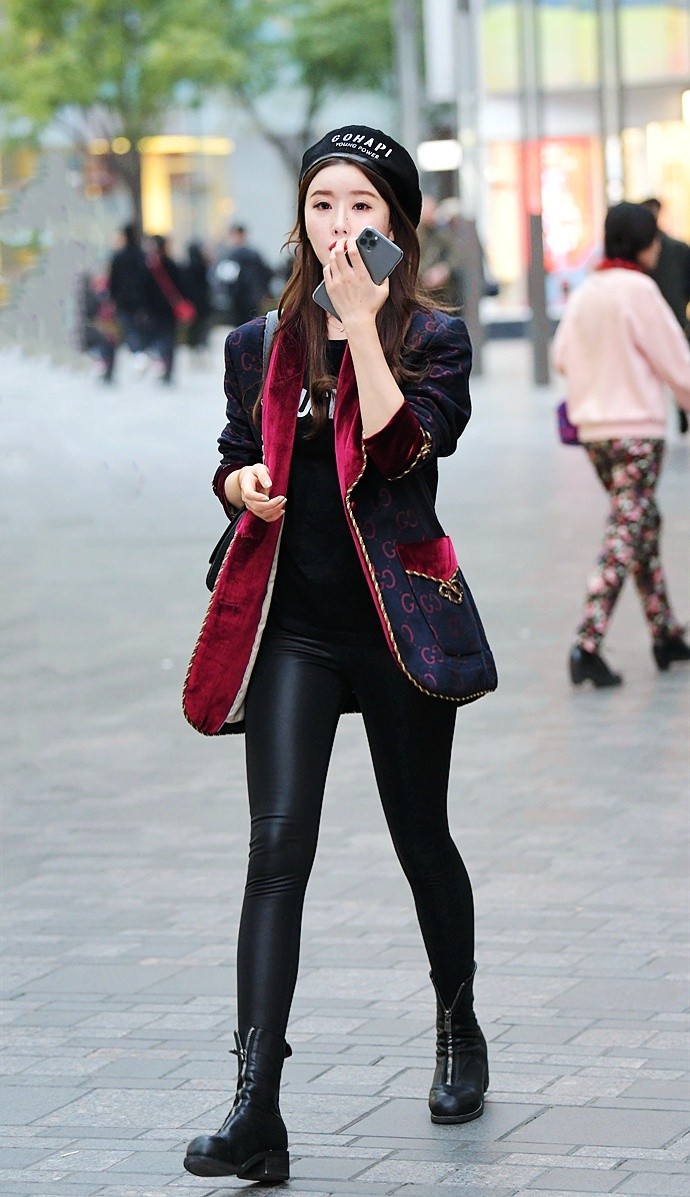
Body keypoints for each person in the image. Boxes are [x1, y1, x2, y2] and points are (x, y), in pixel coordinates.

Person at [182, 124, 496, 1183]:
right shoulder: (256, 345)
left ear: (396, 221)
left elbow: (404, 450)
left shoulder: (436, 337)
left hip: (400, 622)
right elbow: (235, 455)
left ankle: (457, 1024)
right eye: (323, 204)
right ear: (300, 218)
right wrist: (240, 485)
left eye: (362, 206)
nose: (340, 225)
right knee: (276, 851)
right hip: (297, 629)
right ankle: (256, 1105)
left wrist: (362, 325)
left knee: (421, 839)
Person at [552, 202, 690, 687]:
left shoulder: (588, 290)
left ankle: (665, 633)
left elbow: (561, 355)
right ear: (644, 244)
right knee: (625, 532)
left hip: (595, 433)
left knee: (640, 525)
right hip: (638, 433)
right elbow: (678, 364)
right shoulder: (640, 291)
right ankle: (587, 645)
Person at [641, 197, 690, 434]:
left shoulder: (676, 249)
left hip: (674, 318)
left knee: (678, 367)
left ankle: (681, 409)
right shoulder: (640, 253)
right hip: (651, 321)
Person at [212, 224, 274, 326]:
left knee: (240, 324)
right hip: (251, 297)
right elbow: (266, 273)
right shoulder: (253, 254)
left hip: (240, 297)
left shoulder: (231, 255)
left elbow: (224, 278)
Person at [144, 234, 184, 384]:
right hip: (169, 308)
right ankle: (167, 369)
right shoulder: (171, 264)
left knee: (159, 338)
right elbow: (181, 285)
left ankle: (163, 366)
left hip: (156, 309)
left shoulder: (150, 265)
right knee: (168, 339)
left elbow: (144, 288)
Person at [108, 223, 151, 356]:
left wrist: (113, 298)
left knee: (129, 328)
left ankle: (136, 353)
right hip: (140, 301)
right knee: (139, 329)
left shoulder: (118, 257)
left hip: (123, 301)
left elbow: (113, 281)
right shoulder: (142, 256)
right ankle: (139, 353)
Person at [417, 194, 458, 307]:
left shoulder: (440, 233)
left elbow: (455, 255)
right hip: (418, 291)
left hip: (439, 294)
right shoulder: (413, 233)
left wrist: (444, 269)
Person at [180, 240, 212, 358]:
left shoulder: (185, 267)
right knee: (202, 325)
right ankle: (201, 346)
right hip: (202, 302)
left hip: (190, 302)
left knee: (192, 326)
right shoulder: (202, 266)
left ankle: (192, 345)